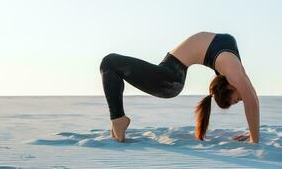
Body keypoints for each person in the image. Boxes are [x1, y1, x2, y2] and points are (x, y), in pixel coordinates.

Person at [99, 32, 260, 144]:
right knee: (109, 63)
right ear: (229, 86)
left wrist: (253, 136)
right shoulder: (234, 71)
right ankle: (118, 120)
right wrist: (254, 138)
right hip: (169, 75)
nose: (239, 100)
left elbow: (252, 99)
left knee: (109, 63)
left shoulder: (234, 70)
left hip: (170, 77)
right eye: (236, 100)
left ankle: (118, 119)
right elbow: (252, 101)